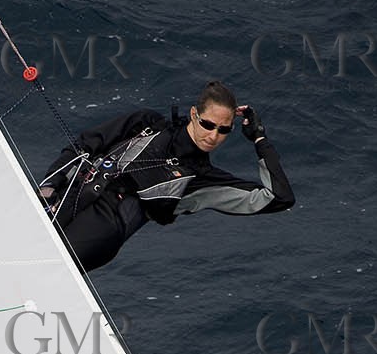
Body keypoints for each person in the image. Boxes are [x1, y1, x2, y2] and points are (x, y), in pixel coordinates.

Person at [38, 80, 294, 271]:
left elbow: (279, 197)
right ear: (194, 114)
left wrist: (259, 139)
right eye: (208, 124)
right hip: (72, 193)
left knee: (44, 268)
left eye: (223, 130)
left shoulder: (203, 179)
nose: (213, 136)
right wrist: (51, 182)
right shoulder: (148, 122)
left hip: (104, 228)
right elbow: (88, 143)